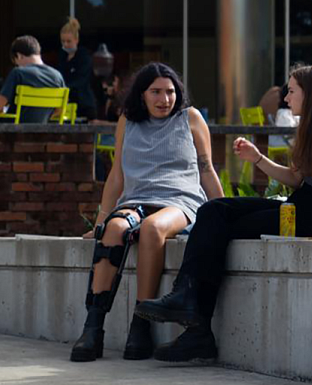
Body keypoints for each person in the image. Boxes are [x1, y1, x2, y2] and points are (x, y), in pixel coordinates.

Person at [134, 65, 312, 362]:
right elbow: (296, 180)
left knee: (221, 226)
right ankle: (188, 304)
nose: (286, 99)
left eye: (292, 91)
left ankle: (195, 323)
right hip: (297, 205)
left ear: (311, 94)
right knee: (212, 210)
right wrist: (257, 158)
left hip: (311, 217)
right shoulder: (311, 129)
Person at [71, 62, 223, 362]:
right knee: (113, 231)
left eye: (170, 92)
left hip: (180, 201)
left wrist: (224, 212)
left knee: (153, 229)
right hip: (136, 199)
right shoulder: (127, 120)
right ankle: (93, 326)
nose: (164, 99)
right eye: (156, 92)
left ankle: (140, 325)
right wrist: (101, 220)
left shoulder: (190, 118)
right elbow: (116, 174)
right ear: (142, 95)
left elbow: (206, 169)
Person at [0, 36, 67, 123]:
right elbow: (60, 111)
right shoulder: (57, 76)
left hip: (15, 133)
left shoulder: (18, 73)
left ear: (19, 56)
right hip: (43, 133)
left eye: (16, 63)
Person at [56, 17, 98, 122]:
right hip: (67, 103)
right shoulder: (62, 57)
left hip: (83, 104)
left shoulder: (84, 57)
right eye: (63, 41)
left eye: (69, 41)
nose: (65, 44)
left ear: (76, 40)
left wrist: (65, 89)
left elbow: (82, 80)